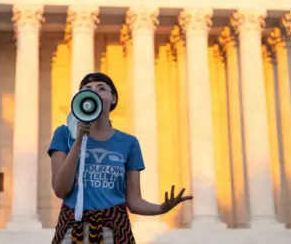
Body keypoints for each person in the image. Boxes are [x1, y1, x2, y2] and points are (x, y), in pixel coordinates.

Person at [47, 72, 193, 244]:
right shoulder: (64, 134)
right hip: (73, 232)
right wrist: (79, 140)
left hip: (114, 231)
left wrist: (162, 208)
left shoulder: (129, 143)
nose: (94, 92)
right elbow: (60, 189)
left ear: (113, 98)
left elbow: (134, 201)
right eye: (87, 89)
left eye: (101, 88)